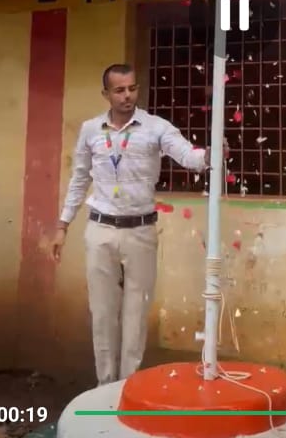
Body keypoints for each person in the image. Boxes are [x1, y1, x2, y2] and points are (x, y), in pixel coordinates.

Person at [51, 63, 224, 386]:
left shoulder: (156, 127)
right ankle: (105, 385)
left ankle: (127, 386)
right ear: (106, 94)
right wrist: (63, 225)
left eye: (132, 88)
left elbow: (187, 155)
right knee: (102, 314)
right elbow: (79, 179)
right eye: (119, 90)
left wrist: (210, 155)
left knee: (135, 315)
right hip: (100, 230)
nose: (127, 95)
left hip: (141, 231)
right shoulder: (91, 130)